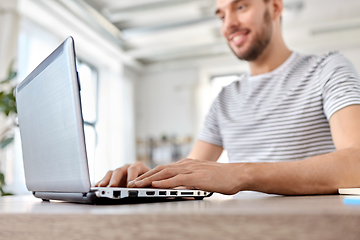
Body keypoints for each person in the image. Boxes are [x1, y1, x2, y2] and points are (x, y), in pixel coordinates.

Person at [95, 0, 360, 195]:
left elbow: (356, 163)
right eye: (221, 15)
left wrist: (242, 173)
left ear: (276, 8)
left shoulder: (328, 68)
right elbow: (191, 172)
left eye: (241, 7)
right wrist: (148, 178)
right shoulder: (225, 99)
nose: (229, 24)